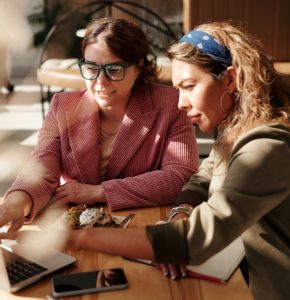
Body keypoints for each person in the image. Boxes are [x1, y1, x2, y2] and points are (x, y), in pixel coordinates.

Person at [2, 21, 290, 300]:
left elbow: (191, 228)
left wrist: (74, 237)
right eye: (90, 68)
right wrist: (17, 200)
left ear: (230, 79)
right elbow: (202, 177)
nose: (180, 101)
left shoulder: (263, 147)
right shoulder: (238, 130)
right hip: (226, 260)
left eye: (188, 86)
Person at [0, 18, 198, 229]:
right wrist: (17, 201)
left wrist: (97, 191)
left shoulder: (170, 104)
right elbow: (42, 166)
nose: (100, 82)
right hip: (76, 224)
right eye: (91, 68)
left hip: (142, 223)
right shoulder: (63, 106)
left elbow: (180, 177)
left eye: (114, 69)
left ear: (139, 67)